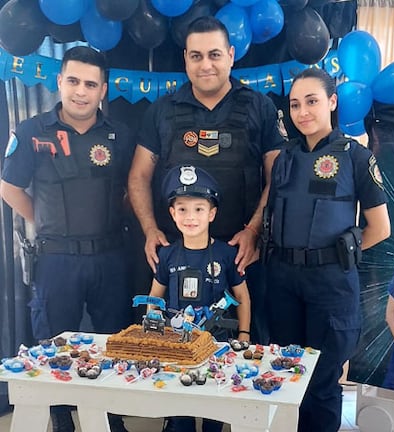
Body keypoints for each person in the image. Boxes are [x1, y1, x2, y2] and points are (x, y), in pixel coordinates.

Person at [128, 15, 285, 345]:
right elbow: (139, 177)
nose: (206, 65)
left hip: (240, 255)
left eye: (214, 54)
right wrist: (150, 229)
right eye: (196, 56)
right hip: (178, 256)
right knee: (172, 355)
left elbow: (278, 178)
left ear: (231, 54)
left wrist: (254, 231)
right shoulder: (162, 110)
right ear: (185, 58)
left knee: (243, 356)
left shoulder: (260, 107)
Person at [0, 46, 133, 432]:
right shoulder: (31, 133)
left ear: (103, 90)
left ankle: (111, 419)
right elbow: (9, 187)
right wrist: (43, 222)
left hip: (109, 256)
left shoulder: (119, 136)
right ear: (59, 82)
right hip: (56, 260)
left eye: (90, 84)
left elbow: (132, 189)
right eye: (73, 81)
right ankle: (61, 419)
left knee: (112, 343)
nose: (80, 91)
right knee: (53, 345)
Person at [264, 67, 390, 432]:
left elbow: (380, 228)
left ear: (332, 102)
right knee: (286, 376)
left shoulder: (355, 155)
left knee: (321, 382)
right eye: (295, 104)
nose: (302, 112)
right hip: (284, 279)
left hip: (330, 283)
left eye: (312, 101)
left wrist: (341, 254)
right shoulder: (285, 158)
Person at [148, 164, 251, 432]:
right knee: (180, 410)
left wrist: (244, 334)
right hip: (176, 347)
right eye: (182, 209)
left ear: (212, 213)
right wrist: (153, 330)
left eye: (199, 209)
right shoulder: (168, 255)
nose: (190, 217)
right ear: (172, 213)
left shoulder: (226, 254)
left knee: (213, 409)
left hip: (216, 344)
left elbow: (242, 296)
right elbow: (154, 298)